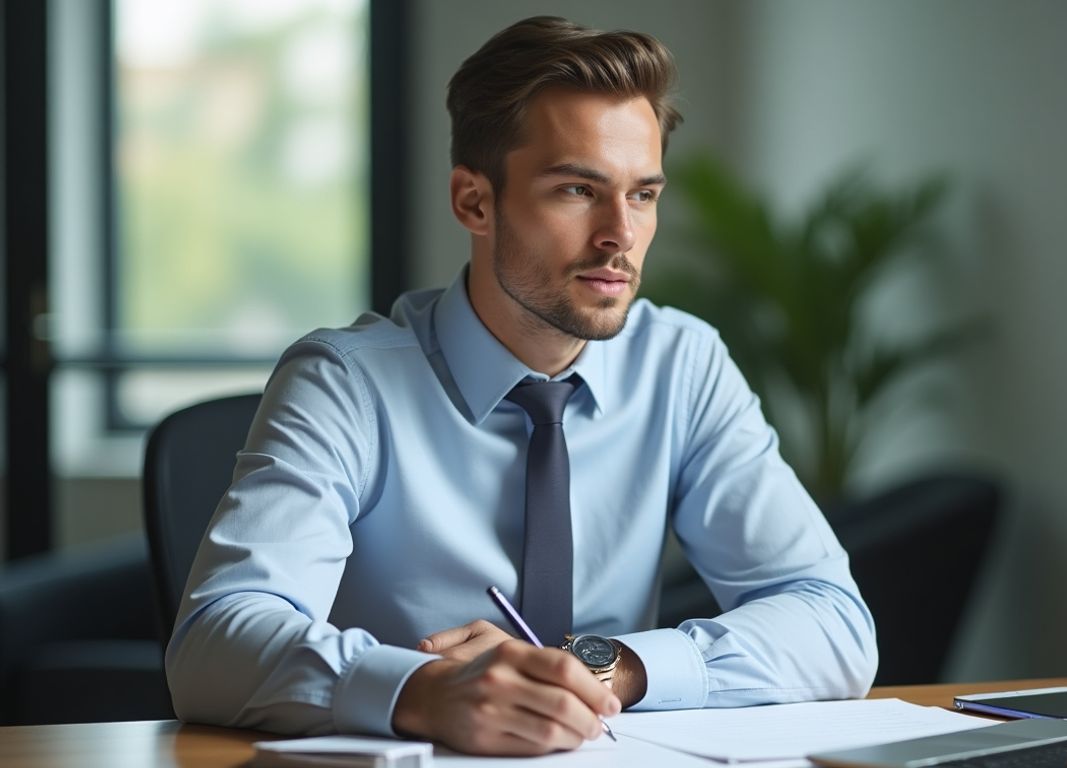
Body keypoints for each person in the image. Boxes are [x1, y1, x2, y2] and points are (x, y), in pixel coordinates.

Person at [166, 16, 876, 756]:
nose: (619, 235)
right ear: (475, 202)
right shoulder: (346, 384)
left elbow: (833, 623)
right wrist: (421, 690)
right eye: (577, 189)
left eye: (642, 195)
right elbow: (212, 646)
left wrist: (607, 666)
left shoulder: (682, 365)